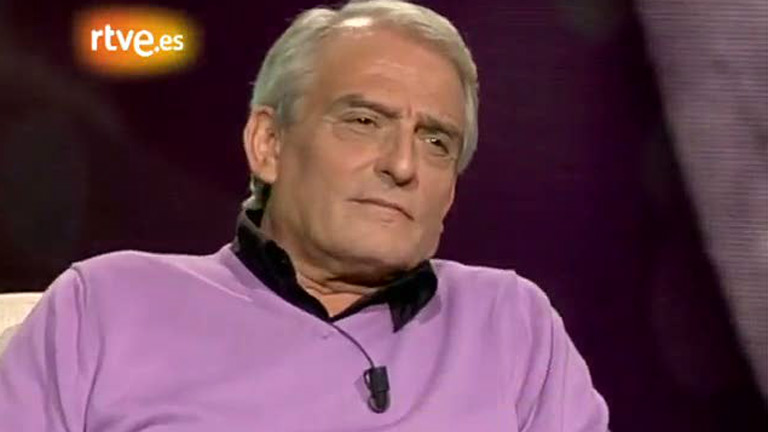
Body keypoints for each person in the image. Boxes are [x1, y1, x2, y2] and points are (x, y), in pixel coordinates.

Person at [0, 0, 609, 430]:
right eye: (363, 121)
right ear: (269, 144)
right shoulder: (106, 306)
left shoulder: (511, 323)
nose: (403, 165)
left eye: (436, 141)